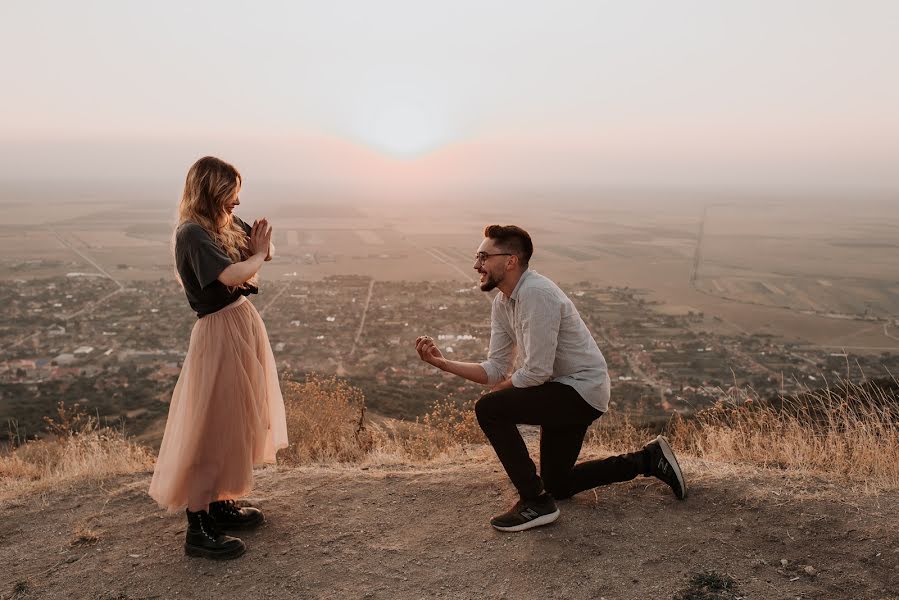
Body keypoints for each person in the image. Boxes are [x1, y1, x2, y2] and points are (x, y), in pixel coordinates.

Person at [415, 224, 686, 532]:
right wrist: (443, 363)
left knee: (489, 409)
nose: (477, 264)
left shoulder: (535, 294)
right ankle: (648, 460)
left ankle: (535, 503)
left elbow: (536, 372)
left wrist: (496, 396)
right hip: (561, 392)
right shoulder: (504, 303)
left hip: (580, 392)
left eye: (483, 256)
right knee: (557, 483)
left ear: (511, 260)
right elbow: (496, 369)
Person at [149, 156, 288, 559]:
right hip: (219, 330)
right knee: (211, 425)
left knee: (236, 417)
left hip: (239, 323)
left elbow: (265, 251)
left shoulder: (218, 226)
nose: (237, 203)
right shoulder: (192, 233)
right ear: (211, 191)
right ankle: (199, 526)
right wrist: (258, 255)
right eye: (231, 194)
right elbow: (231, 276)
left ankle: (218, 501)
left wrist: (260, 250)